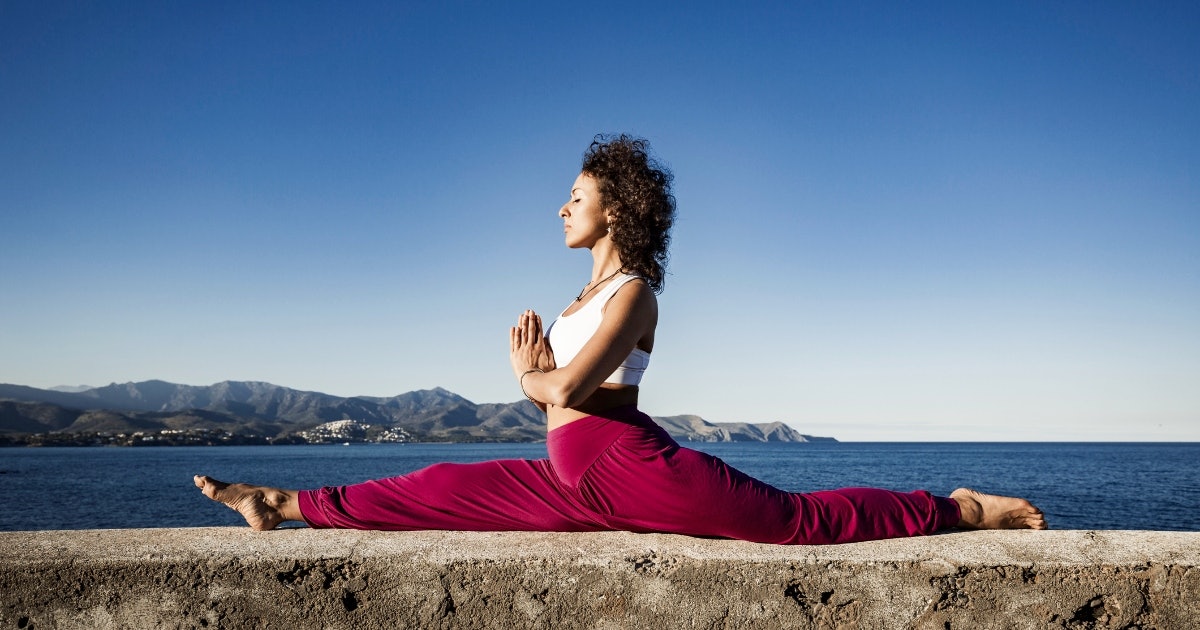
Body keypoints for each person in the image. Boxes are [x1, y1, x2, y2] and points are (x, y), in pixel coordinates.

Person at [195, 134, 1047, 543]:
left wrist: (529, 376)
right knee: (439, 482)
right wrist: (538, 377)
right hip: (576, 477)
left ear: (617, 209)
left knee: (793, 520)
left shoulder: (634, 293)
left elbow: (565, 392)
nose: (562, 206)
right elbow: (559, 388)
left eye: (576, 194)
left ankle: (959, 508)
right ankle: (281, 503)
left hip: (622, 466)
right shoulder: (586, 291)